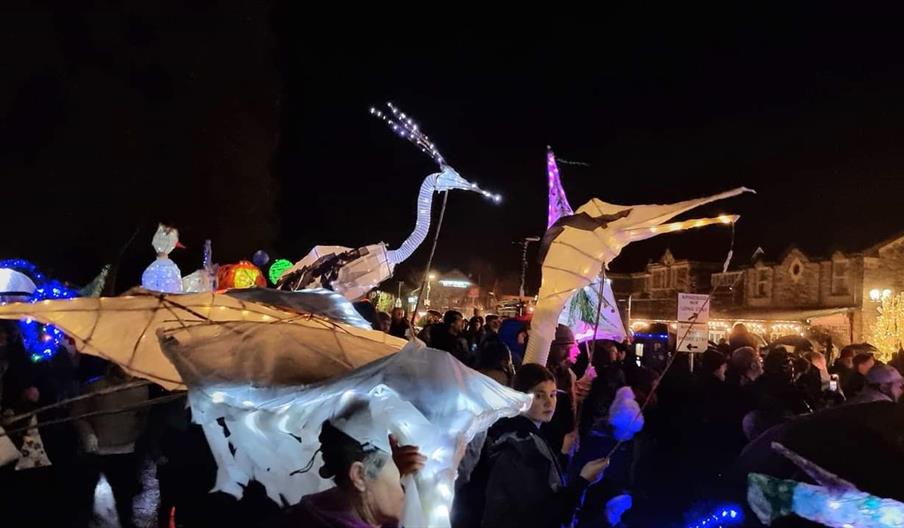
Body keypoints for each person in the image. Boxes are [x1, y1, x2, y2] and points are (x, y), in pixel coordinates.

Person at [481, 364, 609, 528]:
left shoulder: (529, 435)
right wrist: (583, 480)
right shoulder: (521, 445)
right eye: (539, 396)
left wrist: (564, 454)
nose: (549, 402)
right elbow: (545, 513)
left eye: (553, 394)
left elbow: (546, 485)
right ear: (520, 398)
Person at [268, 405, 427, 528]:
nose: (403, 479)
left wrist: (388, 470)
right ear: (359, 475)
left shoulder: (321, 512)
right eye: (392, 460)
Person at [72, 363, 150, 528]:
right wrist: (88, 435)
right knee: (85, 493)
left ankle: (126, 522)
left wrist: (136, 434)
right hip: (96, 450)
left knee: (124, 494)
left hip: (125, 447)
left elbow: (144, 416)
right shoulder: (95, 386)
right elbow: (79, 414)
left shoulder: (141, 388)